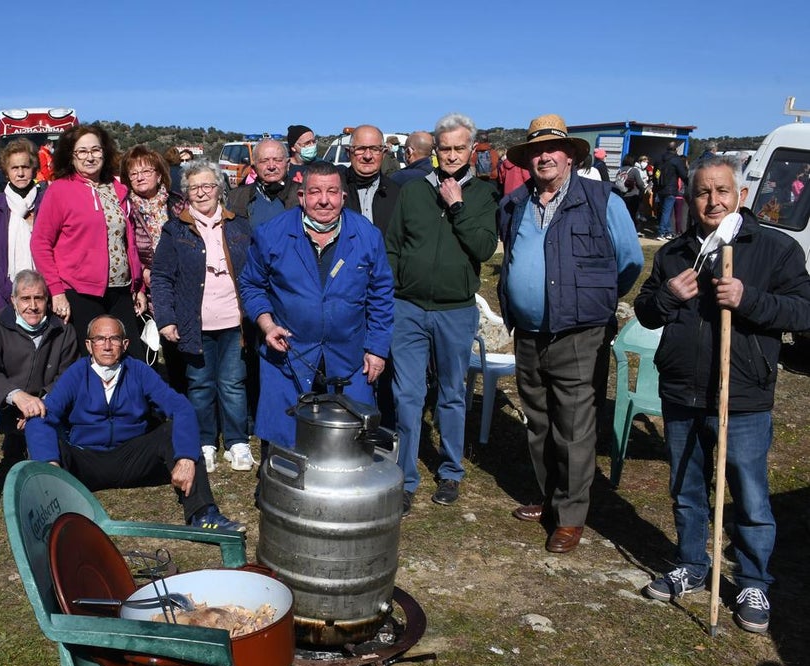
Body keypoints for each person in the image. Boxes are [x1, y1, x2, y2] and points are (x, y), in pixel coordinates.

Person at [635, 156, 810, 633]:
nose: (713, 201)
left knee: (750, 496)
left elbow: (803, 312)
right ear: (690, 199)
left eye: (722, 191)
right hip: (682, 392)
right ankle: (691, 564)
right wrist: (668, 294)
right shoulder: (675, 253)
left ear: (740, 196)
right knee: (687, 490)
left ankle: (753, 579)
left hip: (743, 395)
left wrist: (747, 299)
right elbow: (647, 312)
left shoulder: (774, 249)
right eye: (702, 192)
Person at [498, 114, 643, 554]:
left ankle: (571, 515)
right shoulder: (516, 202)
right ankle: (551, 497)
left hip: (581, 334)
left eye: (551, 149)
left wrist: (590, 302)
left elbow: (630, 262)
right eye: (534, 151)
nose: (543, 157)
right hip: (528, 333)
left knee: (575, 429)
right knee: (539, 423)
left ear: (569, 156)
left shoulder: (602, 201)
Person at [24, 315, 245, 532]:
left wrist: (186, 458)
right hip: (87, 459)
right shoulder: (77, 373)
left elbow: (180, 408)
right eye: (100, 339)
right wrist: (50, 465)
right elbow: (42, 416)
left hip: (132, 458)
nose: (107, 346)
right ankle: (51, 519)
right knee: (45, 439)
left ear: (125, 344)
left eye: (114, 339)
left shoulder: (138, 370)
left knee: (174, 432)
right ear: (89, 346)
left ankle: (203, 513)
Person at [239, 160, 395, 451]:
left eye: (332, 192)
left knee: (352, 439)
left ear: (343, 197)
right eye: (315, 192)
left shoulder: (367, 235)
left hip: (350, 355)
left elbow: (381, 294)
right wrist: (267, 324)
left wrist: (376, 348)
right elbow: (251, 285)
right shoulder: (271, 234)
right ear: (301, 196)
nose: (324, 200)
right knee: (283, 440)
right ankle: (281, 489)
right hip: (288, 353)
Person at [386, 113, 498, 511]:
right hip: (410, 309)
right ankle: (405, 477)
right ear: (435, 151)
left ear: (471, 149)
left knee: (451, 394)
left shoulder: (484, 196)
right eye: (444, 148)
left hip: (455, 310)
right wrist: (400, 285)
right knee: (408, 395)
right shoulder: (414, 191)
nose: (451, 155)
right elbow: (394, 244)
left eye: (458, 148)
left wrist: (458, 207)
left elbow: (484, 248)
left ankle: (450, 472)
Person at [151, 161, 254, 472]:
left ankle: (237, 441)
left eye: (207, 186)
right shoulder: (175, 230)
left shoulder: (238, 225)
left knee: (233, 383)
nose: (201, 193)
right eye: (194, 188)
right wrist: (166, 319)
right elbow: (161, 277)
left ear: (219, 189)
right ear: (186, 194)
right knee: (200, 384)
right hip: (195, 323)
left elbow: (254, 272)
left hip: (234, 321)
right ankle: (205, 442)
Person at [0, 270, 78, 512]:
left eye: (39, 298)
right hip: (5, 405)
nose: (33, 306)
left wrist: (38, 405)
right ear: (13, 300)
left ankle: (31, 450)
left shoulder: (63, 329)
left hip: (43, 409)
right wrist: (16, 396)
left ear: (48, 300)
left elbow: (68, 375)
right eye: (25, 299)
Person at [30, 124, 146, 348]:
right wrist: (56, 291)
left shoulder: (118, 189)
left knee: (128, 355)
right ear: (70, 156)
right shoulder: (59, 191)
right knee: (91, 360)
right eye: (82, 151)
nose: (90, 157)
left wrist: (137, 287)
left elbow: (127, 242)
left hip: (121, 290)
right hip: (80, 293)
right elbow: (40, 243)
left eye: (95, 150)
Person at [0, 138, 44, 318]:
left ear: (34, 169)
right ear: (6, 172)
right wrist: (9, 291)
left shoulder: (46, 202)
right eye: (15, 168)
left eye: (25, 167)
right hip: (2, 296)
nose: (20, 173)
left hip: (42, 296)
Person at [120, 145, 185, 292]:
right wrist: (142, 271)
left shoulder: (178, 203)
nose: (140, 177)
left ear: (159, 176)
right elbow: (122, 247)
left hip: (179, 283)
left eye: (146, 171)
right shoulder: (125, 208)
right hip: (144, 287)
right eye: (133, 173)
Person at [227, 138, 301, 230]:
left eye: (277, 160)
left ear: (288, 164)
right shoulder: (236, 197)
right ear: (254, 167)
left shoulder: (303, 195)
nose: (271, 166)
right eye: (264, 161)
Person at [342, 124, 401, 235]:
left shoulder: (397, 193)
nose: (368, 156)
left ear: (383, 154)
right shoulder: (334, 190)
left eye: (374, 149)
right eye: (360, 149)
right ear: (348, 153)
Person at [656, 141, 689, 240]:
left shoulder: (660, 159)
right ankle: (661, 232)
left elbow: (655, 174)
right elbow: (683, 175)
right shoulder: (676, 160)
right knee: (667, 212)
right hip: (671, 188)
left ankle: (668, 231)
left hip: (660, 188)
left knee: (665, 211)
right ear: (676, 149)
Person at [614, 153, 647, 224]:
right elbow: (640, 184)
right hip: (633, 196)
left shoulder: (620, 170)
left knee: (623, 214)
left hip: (622, 195)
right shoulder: (634, 170)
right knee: (633, 214)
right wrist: (643, 189)